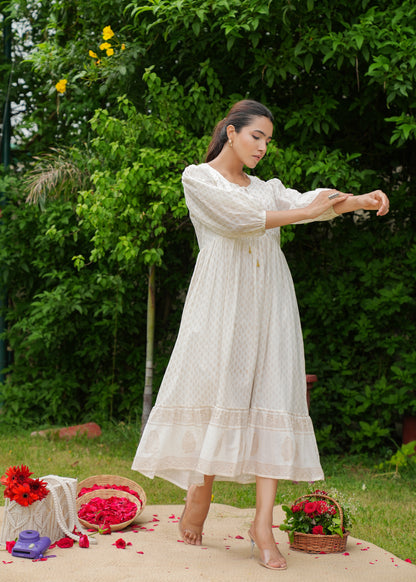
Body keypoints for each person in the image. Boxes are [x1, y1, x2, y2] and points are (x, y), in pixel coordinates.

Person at [132, 100, 389, 571]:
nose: (264, 147)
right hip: (221, 303)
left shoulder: (266, 188)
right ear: (231, 132)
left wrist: (357, 201)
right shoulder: (198, 178)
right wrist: (307, 210)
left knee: (273, 394)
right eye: (257, 137)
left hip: (270, 301)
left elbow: (303, 201)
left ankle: (262, 526)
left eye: (269, 140)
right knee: (216, 392)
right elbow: (236, 220)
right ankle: (200, 489)